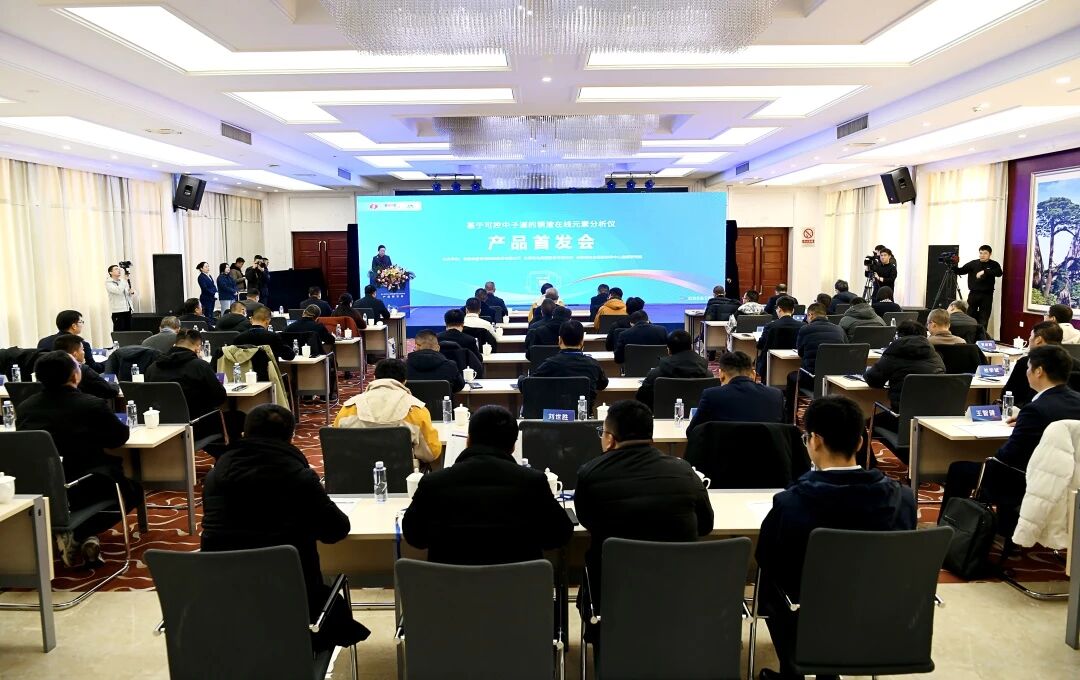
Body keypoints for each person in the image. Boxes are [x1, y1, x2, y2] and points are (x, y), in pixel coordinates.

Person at [755, 396, 916, 680]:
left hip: (811, 610)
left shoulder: (793, 502)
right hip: (881, 609)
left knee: (769, 585)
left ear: (815, 441)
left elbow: (766, 557)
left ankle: (793, 672)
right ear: (860, 442)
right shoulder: (903, 498)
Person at [200, 404, 369, 652]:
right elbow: (336, 530)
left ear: (245, 434)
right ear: (290, 437)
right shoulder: (299, 477)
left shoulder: (215, 477)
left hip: (226, 601)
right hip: (293, 606)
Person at [575, 400, 713, 618]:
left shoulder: (590, 474)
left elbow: (587, 521)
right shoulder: (684, 470)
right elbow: (705, 525)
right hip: (677, 593)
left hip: (613, 595)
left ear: (609, 439)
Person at [403, 405, 573, 564]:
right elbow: (559, 535)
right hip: (518, 585)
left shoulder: (434, 484)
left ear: (468, 440)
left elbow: (415, 537)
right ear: (513, 446)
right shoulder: (533, 483)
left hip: (451, 585)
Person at [15, 351, 138, 567]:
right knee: (134, 491)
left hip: (41, 486)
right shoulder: (91, 404)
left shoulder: (25, 407)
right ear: (75, 375)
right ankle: (81, 532)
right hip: (87, 484)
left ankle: (81, 536)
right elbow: (118, 438)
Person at [942, 346, 1080, 529]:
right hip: (1069, 479)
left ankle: (950, 528)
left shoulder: (1035, 410)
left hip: (1024, 478)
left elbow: (1008, 456)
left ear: (1039, 371)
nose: (1027, 372)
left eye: (1029, 367)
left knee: (959, 469)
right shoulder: (1074, 400)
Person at [333, 359, 441, 465]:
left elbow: (334, 447)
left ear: (374, 378)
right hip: (402, 475)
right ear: (404, 381)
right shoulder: (416, 409)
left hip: (353, 474)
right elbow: (431, 453)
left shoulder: (349, 407)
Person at [146, 328, 228, 439]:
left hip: (162, 428)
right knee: (235, 417)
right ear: (198, 348)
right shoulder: (200, 366)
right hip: (197, 425)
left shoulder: (152, 368)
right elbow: (220, 397)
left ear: (175, 344)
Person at [864, 321, 945, 415]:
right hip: (932, 413)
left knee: (868, 419)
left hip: (901, 413)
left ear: (899, 335)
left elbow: (872, 379)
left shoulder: (895, 351)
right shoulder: (935, 355)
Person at [688, 351, 784, 429]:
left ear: (721, 374)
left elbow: (692, 432)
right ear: (753, 374)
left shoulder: (711, 396)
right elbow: (784, 433)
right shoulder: (775, 395)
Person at [785, 303, 846, 418]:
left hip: (812, 378)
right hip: (835, 380)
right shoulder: (839, 329)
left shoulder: (805, 329)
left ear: (811, 315)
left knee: (791, 377)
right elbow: (845, 350)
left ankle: (790, 415)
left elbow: (800, 353)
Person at [532, 320, 609, 404]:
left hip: (555, 411)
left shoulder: (549, 364)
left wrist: (522, 378)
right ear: (582, 341)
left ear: (560, 340)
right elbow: (602, 385)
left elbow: (530, 383)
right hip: (584, 411)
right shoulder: (593, 365)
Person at [635, 330, 711, 410]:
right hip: (698, 417)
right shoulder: (708, 375)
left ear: (668, 350)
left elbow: (641, 399)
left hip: (661, 416)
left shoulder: (655, 375)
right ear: (691, 347)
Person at [1002, 321, 1065, 407]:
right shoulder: (1070, 363)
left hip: (1025, 410)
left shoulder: (1028, 362)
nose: (1029, 339)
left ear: (1038, 340)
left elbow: (1008, 394)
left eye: (1030, 336)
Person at [53, 334, 118, 400]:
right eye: (82, 350)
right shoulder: (82, 370)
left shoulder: (51, 369)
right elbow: (110, 391)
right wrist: (115, 384)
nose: (84, 352)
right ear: (75, 354)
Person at [37, 310, 104, 372]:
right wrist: (107, 362)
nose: (82, 325)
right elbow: (93, 369)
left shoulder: (43, 341)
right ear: (74, 326)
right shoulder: (79, 344)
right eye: (81, 322)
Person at [955, 245, 1002, 329]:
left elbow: (999, 273)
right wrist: (954, 265)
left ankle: (981, 336)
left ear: (990, 254)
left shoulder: (994, 264)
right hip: (974, 294)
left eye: (985, 253)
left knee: (984, 318)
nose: (982, 255)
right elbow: (960, 271)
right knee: (970, 316)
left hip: (987, 295)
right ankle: (970, 335)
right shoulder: (973, 263)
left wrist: (985, 271)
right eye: (981, 253)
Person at [756, 296, 803, 379]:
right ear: (793, 310)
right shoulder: (803, 326)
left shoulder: (770, 326)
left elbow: (761, 345)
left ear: (779, 309)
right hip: (795, 366)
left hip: (771, 367)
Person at [105, 264, 135, 331]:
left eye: (119, 269)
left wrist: (132, 292)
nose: (119, 270)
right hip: (118, 311)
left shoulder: (122, 281)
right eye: (116, 269)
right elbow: (118, 291)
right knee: (119, 332)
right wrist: (124, 281)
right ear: (110, 272)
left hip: (128, 310)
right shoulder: (109, 283)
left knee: (129, 331)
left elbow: (127, 294)